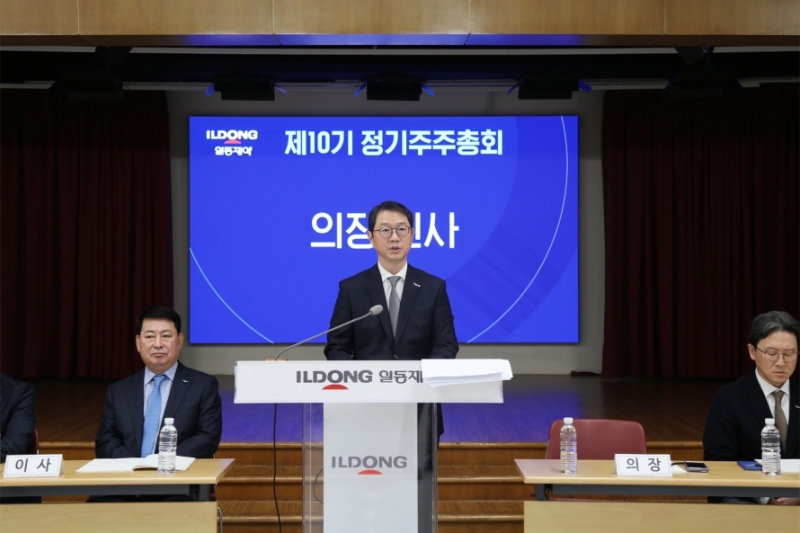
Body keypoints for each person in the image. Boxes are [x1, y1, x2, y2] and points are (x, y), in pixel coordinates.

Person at [324, 200, 458, 533]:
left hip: (419, 410)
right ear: (371, 237)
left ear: (412, 235)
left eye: (401, 230)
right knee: (368, 488)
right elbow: (336, 346)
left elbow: (446, 345)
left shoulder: (433, 287)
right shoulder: (352, 288)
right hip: (366, 409)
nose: (394, 237)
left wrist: (418, 378)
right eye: (385, 230)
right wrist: (364, 381)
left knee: (418, 490)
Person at [95, 306, 222, 463]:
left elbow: (207, 438)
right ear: (138, 343)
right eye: (149, 336)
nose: (158, 344)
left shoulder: (202, 386)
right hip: (130, 475)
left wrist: (159, 462)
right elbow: (105, 441)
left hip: (178, 474)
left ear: (179, 341)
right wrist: (138, 467)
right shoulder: (118, 391)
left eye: (166, 336)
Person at [703, 310, 799, 505]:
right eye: (772, 353)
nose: (781, 362)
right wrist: (766, 499)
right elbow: (719, 464)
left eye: (789, 354)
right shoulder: (728, 399)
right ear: (752, 351)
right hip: (749, 498)